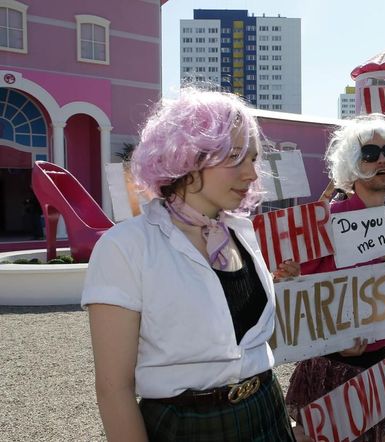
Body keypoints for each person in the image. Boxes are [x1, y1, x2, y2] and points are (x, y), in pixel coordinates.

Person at [82, 88, 304, 441]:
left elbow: (238, 334)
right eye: (235, 157)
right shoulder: (126, 247)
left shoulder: (244, 235)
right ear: (187, 156)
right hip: (188, 426)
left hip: (266, 410)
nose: (251, 174)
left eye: (253, 158)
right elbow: (114, 389)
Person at [286, 114, 385, 441]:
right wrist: (336, 339)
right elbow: (299, 297)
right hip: (329, 368)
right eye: (370, 153)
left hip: (377, 367)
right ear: (352, 164)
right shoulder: (324, 223)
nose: (382, 160)